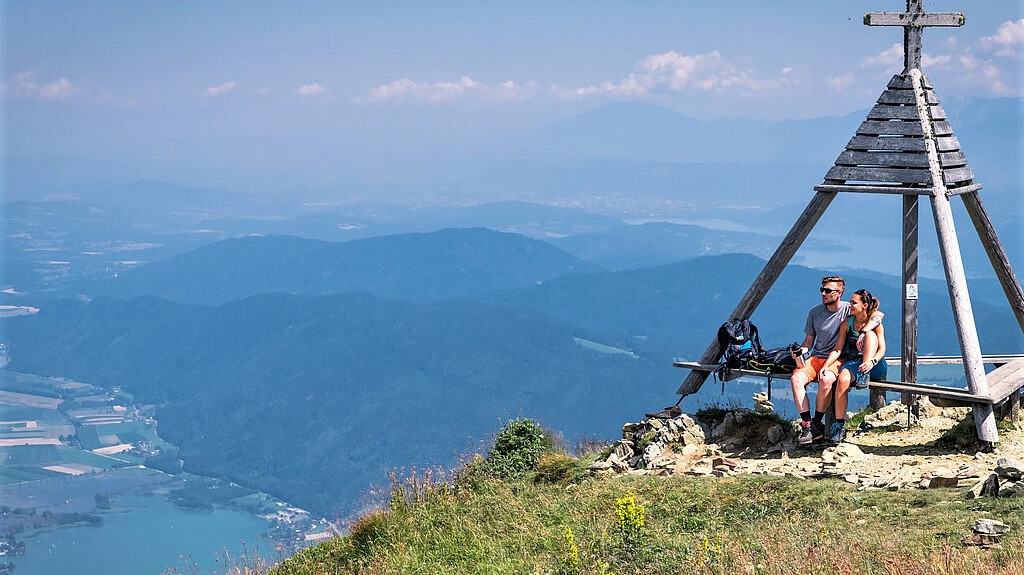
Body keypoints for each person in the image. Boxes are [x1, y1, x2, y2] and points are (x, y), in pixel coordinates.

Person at [791, 275, 850, 445]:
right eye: (822, 290)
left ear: (840, 292)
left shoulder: (848, 310)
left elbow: (876, 313)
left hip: (838, 359)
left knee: (826, 380)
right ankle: (808, 424)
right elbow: (809, 341)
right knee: (796, 379)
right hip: (817, 357)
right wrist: (800, 351)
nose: (823, 293)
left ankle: (816, 422)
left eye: (828, 290)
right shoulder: (814, 313)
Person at [828, 289, 887, 444]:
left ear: (864, 305)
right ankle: (839, 424)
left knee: (870, 335)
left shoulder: (875, 322)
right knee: (842, 379)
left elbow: (882, 349)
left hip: (875, 364)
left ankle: (865, 374)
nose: (850, 305)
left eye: (854, 302)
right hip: (856, 363)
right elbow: (838, 348)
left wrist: (871, 361)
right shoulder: (847, 323)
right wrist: (827, 365)